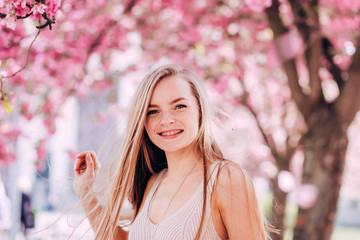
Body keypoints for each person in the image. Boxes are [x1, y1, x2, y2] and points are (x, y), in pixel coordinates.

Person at [73, 64, 268, 240]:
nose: (166, 120)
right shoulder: (153, 183)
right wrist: (85, 193)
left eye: (179, 106)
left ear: (199, 110)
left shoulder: (226, 179)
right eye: (153, 111)